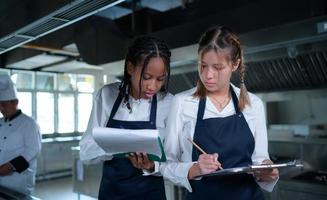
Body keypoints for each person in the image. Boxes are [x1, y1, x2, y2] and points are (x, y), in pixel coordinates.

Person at [160, 26, 279, 200]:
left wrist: (267, 170)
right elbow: (166, 165)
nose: (208, 75)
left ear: (235, 64)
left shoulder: (254, 104)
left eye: (217, 67)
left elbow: (260, 159)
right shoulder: (182, 103)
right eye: (203, 65)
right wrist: (196, 169)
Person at [79, 36, 173, 200]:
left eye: (160, 79)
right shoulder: (107, 95)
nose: (153, 86)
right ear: (130, 67)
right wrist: (116, 146)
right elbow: (86, 152)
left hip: (151, 195)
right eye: (146, 77)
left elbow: (178, 159)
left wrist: (152, 166)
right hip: (111, 194)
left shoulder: (169, 102)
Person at [0, 74, 42, 195]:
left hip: (19, 182)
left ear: (15, 102)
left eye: (5, 104)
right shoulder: (0, 122)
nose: (1, 108)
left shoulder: (29, 123)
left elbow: (33, 150)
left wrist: (10, 166)